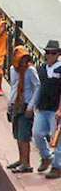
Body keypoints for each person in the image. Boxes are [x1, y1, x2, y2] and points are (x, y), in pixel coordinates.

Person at [8, 45, 40, 173]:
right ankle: (21, 159)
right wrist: (10, 104)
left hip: (26, 104)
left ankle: (26, 163)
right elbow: (14, 86)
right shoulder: (12, 69)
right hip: (16, 104)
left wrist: (31, 106)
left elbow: (37, 87)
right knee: (17, 134)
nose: (23, 61)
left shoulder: (30, 70)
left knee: (24, 135)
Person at [32, 40, 61, 178]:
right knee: (37, 134)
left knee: (57, 140)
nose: (50, 55)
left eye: (53, 53)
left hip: (56, 110)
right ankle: (46, 156)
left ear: (58, 54)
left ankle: (57, 166)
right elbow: (37, 88)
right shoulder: (41, 69)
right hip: (43, 108)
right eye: (48, 53)